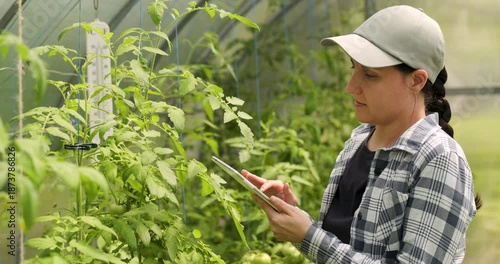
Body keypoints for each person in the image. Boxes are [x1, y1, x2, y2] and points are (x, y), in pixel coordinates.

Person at [241, 5, 480, 264]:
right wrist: (295, 218)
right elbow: (347, 245)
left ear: (416, 80)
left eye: (369, 75)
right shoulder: (359, 140)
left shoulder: (440, 160)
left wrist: (308, 237)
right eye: (353, 69)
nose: (351, 87)